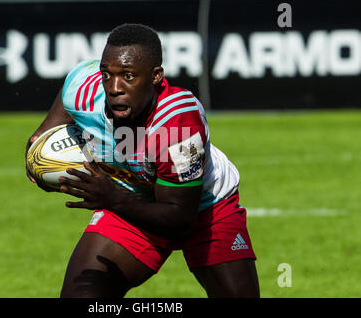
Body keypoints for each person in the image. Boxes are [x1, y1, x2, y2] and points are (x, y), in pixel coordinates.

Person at [25, 23, 259, 298]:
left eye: (128, 76)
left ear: (156, 76)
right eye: (107, 74)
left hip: (205, 207)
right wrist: (40, 165)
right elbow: (40, 141)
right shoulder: (83, 89)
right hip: (130, 197)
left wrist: (113, 199)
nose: (114, 88)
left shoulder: (179, 126)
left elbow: (180, 218)